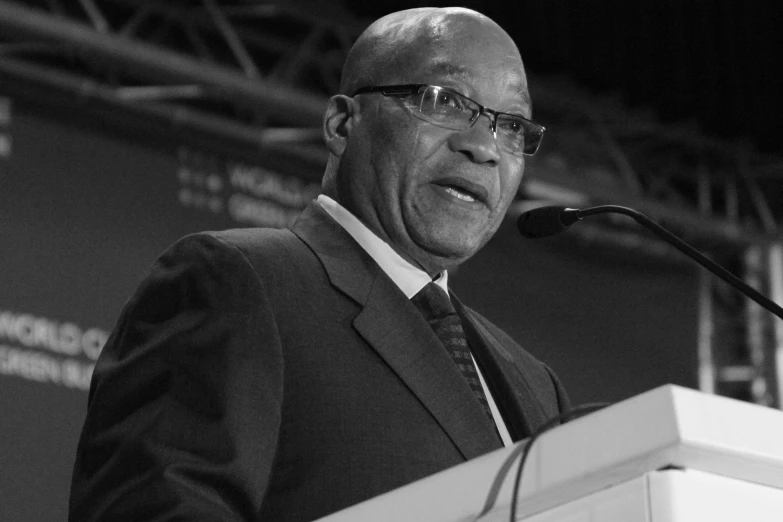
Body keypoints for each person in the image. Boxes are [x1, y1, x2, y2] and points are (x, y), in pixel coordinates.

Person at [69, 6, 570, 522]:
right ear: (341, 124)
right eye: (443, 101)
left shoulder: (533, 383)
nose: (484, 147)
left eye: (511, 125)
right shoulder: (238, 282)